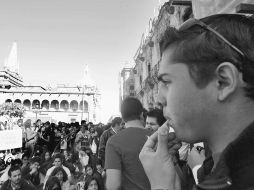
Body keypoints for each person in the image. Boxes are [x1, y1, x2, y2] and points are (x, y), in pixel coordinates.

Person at [139, 14, 254, 190]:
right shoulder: (215, 171)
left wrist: (161, 186)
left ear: (223, 81)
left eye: (167, 81)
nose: (159, 99)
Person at [105, 97, 151, 190]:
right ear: (142, 114)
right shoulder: (157, 137)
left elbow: (113, 185)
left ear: (122, 117)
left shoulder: (114, 142)